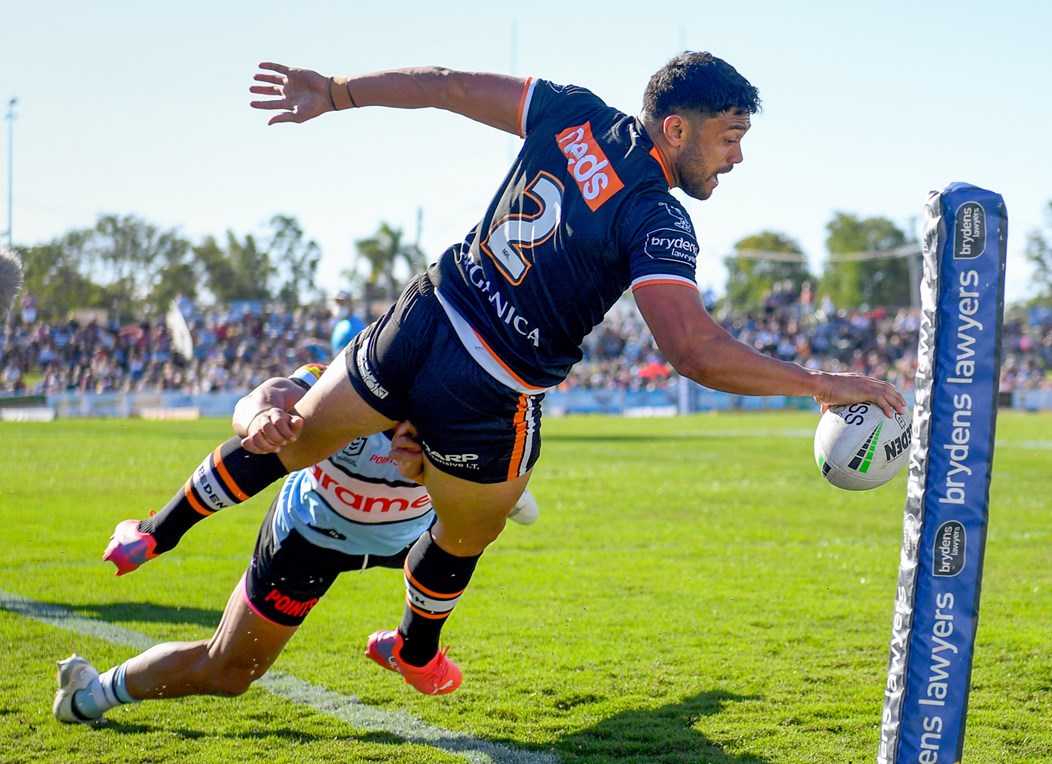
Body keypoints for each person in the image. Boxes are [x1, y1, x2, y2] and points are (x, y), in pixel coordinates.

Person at [102, 53, 904, 695]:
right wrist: (823, 384)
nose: (736, 157)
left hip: (423, 317)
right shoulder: (657, 215)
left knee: (295, 437)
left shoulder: (570, 110)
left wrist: (336, 91)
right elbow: (691, 350)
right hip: (488, 386)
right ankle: (415, 650)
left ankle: (152, 532)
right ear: (675, 128)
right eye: (729, 138)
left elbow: (445, 85)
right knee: (470, 528)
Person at [59, 364, 538, 722]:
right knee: (229, 672)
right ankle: (91, 694)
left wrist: (474, 479)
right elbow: (260, 399)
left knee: (471, 530)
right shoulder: (343, 383)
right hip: (310, 536)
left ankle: (413, 646)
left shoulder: (461, 407)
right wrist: (260, 419)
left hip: (405, 541)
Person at [329, 289, 369, 357]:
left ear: (351, 303)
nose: (339, 306)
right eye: (337, 303)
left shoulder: (358, 326)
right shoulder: (340, 324)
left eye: (342, 302)